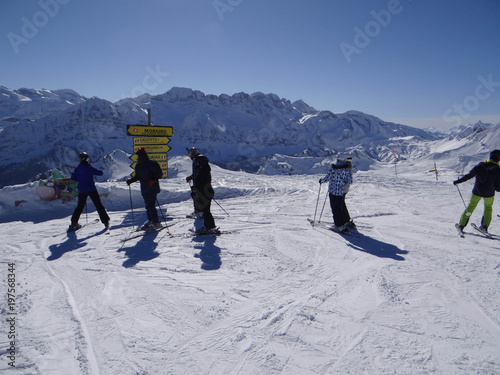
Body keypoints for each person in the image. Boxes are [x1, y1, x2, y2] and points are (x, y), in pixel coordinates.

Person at [454, 149, 500, 234]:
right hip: (489, 193)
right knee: (488, 208)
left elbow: (469, 175)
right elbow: (498, 187)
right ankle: (484, 227)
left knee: (471, 207)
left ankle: (461, 225)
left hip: (477, 191)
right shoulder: (498, 169)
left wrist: (458, 181)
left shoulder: (481, 165)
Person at [68, 152, 110, 232]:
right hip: (91, 189)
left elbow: (73, 177)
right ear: (87, 159)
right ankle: (105, 221)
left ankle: (74, 223)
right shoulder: (89, 168)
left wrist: (80, 180)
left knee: (79, 207)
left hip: (82, 190)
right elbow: (100, 173)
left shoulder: (78, 168)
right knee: (98, 205)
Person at [126, 148, 164, 231]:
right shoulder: (139, 165)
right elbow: (137, 176)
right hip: (144, 188)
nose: (139, 157)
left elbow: (159, 174)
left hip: (152, 187)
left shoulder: (152, 163)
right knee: (148, 205)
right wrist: (131, 180)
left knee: (150, 205)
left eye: (139, 156)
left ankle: (156, 222)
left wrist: (153, 180)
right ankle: (151, 221)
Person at [186, 147, 217, 234]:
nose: (190, 156)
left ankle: (210, 228)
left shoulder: (199, 160)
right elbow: (197, 174)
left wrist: (200, 164)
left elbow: (203, 164)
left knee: (206, 210)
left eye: (190, 154)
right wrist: (191, 177)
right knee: (205, 210)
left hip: (204, 190)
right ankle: (209, 227)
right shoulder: (199, 163)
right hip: (205, 190)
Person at [319, 157, 354, 233]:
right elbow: (350, 181)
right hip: (341, 192)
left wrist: (321, 181)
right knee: (340, 208)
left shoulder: (332, 168)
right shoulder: (347, 170)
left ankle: (338, 225)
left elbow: (326, 178)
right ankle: (343, 223)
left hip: (332, 191)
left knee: (335, 209)